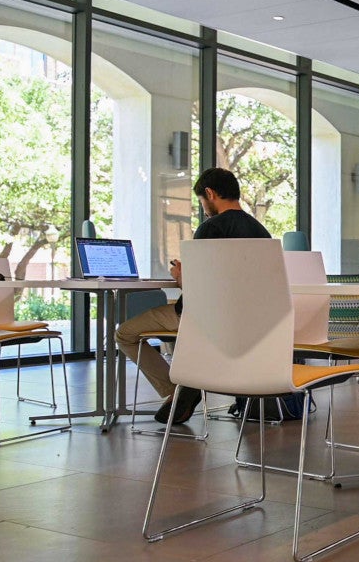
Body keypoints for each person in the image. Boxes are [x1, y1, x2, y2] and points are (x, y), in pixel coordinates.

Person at [117, 167, 272, 425]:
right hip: (250, 321)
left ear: (210, 193)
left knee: (125, 333)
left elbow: (198, 291)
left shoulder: (211, 229)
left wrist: (180, 276)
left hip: (204, 320)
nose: (203, 208)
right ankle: (184, 385)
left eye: (202, 201)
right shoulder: (261, 232)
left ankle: (176, 390)